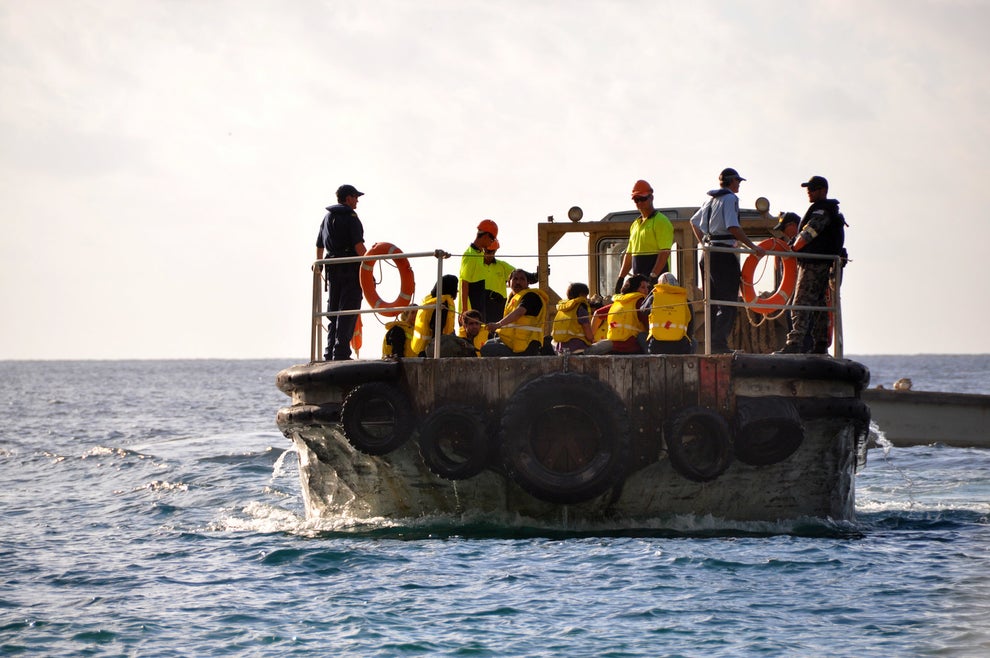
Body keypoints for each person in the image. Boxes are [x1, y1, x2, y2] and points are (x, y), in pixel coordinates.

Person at [689, 167, 765, 354]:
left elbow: (693, 222)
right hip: (723, 255)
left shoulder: (709, 200)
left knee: (713, 302)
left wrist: (704, 244)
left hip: (708, 254)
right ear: (732, 182)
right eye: (738, 181)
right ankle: (719, 344)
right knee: (729, 302)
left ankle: (711, 344)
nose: (739, 185)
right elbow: (733, 227)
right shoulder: (730, 199)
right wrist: (753, 248)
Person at [776, 176, 847, 354]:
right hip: (823, 263)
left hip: (814, 264)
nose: (809, 191)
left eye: (813, 188)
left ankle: (795, 342)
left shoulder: (822, 211)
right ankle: (821, 344)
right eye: (808, 188)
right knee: (819, 304)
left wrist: (793, 248)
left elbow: (810, 232)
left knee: (801, 302)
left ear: (823, 190)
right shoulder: (829, 211)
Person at [315, 184, 367, 361]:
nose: (357, 201)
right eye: (355, 197)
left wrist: (319, 265)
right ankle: (341, 353)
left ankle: (329, 352)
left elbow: (319, 245)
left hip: (332, 270)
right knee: (348, 310)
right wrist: (369, 269)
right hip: (351, 269)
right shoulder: (351, 218)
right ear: (348, 198)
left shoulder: (327, 218)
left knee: (333, 312)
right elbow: (358, 246)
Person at [615, 179, 674, 293]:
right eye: (636, 200)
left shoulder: (661, 221)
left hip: (657, 281)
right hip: (639, 284)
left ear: (651, 197)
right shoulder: (635, 225)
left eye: (643, 199)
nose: (640, 202)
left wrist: (653, 277)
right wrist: (621, 278)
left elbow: (665, 252)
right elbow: (629, 254)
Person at [480, 269, 549, 356]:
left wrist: (498, 324)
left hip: (526, 346)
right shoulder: (513, 299)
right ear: (509, 283)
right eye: (515, 279)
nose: (518, 282)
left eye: (522, 279)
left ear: (528, 283)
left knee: (486, 350)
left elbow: (519, 312)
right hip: (514, 343)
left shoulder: (531, 296)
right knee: (487, 344)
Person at [586, 275, 651, 354]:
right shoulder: (640, 303)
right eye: (643, 287)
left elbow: (597, 314)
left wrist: (592, 338)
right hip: (632, 345)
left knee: (589, 350)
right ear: (634, 289)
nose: (647, 291)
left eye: (647, 287)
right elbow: (649, 327)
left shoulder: (618, 302)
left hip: (613, 344)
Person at [410, 274, 459, 356]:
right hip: (432, 349)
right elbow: (437, 327)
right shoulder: (443, 303)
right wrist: (436, 350)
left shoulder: (429, 300)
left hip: (421, 348)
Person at [459, 220, 499, 320]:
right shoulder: (470, 255)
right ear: (486, 235)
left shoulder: (479, 253)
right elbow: (465, 282)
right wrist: (465, 311)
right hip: (470, 315)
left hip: (478, 311)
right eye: (492, 238)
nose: (492, 242)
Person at [646, 273, 694, 354]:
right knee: (694, 342)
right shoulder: (686, 301)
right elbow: (691, 327)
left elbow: (642, 310)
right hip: (680, 348)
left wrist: (652, 292)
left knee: (641, 335)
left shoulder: (653, 298)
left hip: (656, 347)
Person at [480, 239, 519, 322]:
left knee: (497, 332)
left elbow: (519, 275)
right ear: (482, 249)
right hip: (480, 305)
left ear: (495, 251)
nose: (489, 253)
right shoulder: (476, 266)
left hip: (498, 307)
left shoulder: (502, 266)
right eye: (487, 251)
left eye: (492, 251)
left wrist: (535, 276)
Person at [551, 282, 595, 354]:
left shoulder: (563, 308)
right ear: (581, 295)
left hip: (561, 349)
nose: (586, 299)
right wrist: (592, 339)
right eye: (586, 296)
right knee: (608, 344)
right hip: (579, 348)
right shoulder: (580, 308)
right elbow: (586, 327)